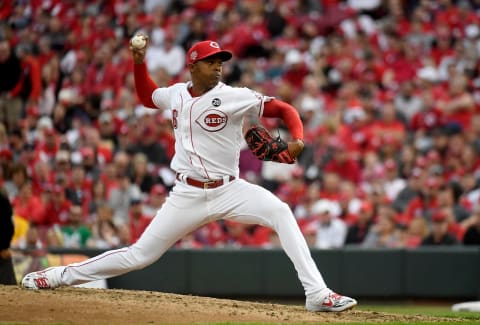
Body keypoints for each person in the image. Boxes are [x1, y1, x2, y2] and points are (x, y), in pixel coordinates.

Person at [21, 37, 357, 312]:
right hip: (187, 194)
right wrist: (139, 61)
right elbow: (147, 96)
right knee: (140, 256)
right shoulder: (178, 93)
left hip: (230, 189)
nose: (218, 66)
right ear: (193, 65)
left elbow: (283, 109)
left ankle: (317, 293)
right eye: (211, 61)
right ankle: (57, 276)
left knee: (282, 212)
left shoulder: (234, 96)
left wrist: (297, 140)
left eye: (220, 61)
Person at [0, 190, 16, 284]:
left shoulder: (2, 200)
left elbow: (8, 226)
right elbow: (9, 226)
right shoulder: (2, 199)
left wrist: (4, 247)